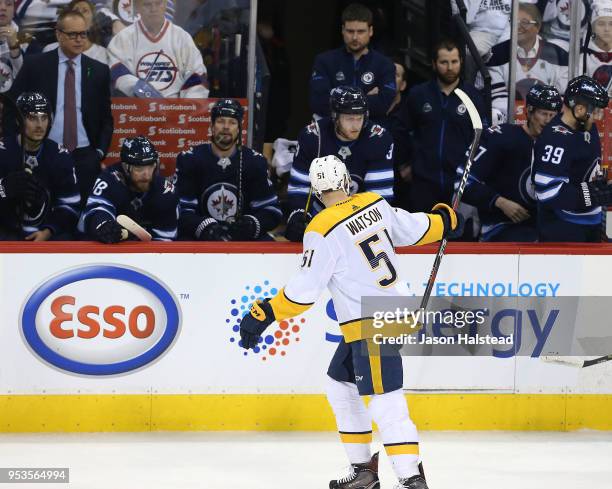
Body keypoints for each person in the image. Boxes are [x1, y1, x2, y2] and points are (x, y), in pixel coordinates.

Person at [239, 155, 463, 489]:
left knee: (387, 399)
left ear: (314, 192)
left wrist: (266, 313)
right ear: (347, 181)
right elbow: (413, 228)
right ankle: (364, 472)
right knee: (340, 383)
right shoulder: (374, 203)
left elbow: (304, 291)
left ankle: (411, 478)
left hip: (370, 321)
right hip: (391, 312)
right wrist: (442, 221)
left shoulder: (321, 228)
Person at [10, 10, 114, 207]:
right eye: (72, 34)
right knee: (44, 209)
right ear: (58, 35)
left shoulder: (99, 70)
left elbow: (106, 119)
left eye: (83, 34)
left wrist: (99, 153)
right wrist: (17, 145)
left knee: (81, 213)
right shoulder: (36, 65)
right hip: (45, 151)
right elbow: (12, 105)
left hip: (85, 155)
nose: (79, 39)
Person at [285, 85, 394, 242]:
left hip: (362, 219)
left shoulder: (379, 139)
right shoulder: (312, 137)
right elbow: (300, 187)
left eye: (360, 118)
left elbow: (379, 197)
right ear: (335, 116)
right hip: (319, 215)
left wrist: (353, 227)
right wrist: (299, 216)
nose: (356, 125)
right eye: (349, 118)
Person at [458, 84, 562, 241]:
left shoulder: (560, 145)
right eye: (543, 114)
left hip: (542, 228)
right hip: (501, 227)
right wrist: (499, 202)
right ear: (529, 111)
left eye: (552, 115)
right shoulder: (501, 138)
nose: (548, 120)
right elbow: (461, 181)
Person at [175, 98, 281, 241]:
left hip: (242, 240)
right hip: (201, 239)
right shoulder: (190, 159)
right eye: (220, 121)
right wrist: (205, 227)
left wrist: (251, 224)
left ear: (239, 129)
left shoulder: (255, 162)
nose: (226, 126)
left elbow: (272, 211)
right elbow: (180, 210)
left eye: (232, 122)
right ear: (212, 126)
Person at [404, 39, 487, 212]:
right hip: (423, 182)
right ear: (434, 64)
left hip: (460, 182)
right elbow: (401, 130)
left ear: (461, 62)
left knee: (459, 235)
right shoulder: (419, 94)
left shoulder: (473, 97)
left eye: (454, 62)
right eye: (444, 62)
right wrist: (404, 165)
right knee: (424, 236)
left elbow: (483, 139)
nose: (450, 67)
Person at [532, 75, 612, 242]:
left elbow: (585, 176)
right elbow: (548, 192)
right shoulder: (555, 139)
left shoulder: (587, 128)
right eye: (595, 111)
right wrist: (594, 195)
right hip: (562, 229)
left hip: (590, 224)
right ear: (580, 109)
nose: (598, 117)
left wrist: (601, 188)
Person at [0, 92, 80, 240]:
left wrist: (48, 231)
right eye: (32, 118)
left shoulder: (60, 156)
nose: (39, 125)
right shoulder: (2, 151)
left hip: (47, 237)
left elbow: (71, 204)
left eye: (44, 118)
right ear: (19, 120)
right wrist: (3, 190)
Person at [79, 136, 179, 242]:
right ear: (125, 167)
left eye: (150, 166)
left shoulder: (166, 191)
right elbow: (97, 211)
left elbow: (165, 241)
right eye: (139, 168)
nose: (146, 175)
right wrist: (103, 224)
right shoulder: (108, 180)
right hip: (104, 246)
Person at [309, 3, 395, 122]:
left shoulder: (384, 64)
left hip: (369, 134)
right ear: (343, 30)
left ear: (370, 31)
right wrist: (365, 98)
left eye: (360, 32)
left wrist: (338, 97)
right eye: (350, 31)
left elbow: (383, 105)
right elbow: (318, 102)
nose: (355, 37)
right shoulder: (324, 61)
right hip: (331, 132)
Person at [107, 0, 209, 98]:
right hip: (137, 111)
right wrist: (147, 93)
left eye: (158, 3)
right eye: (147, 4)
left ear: (165, 4)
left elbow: (196, 76)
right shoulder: (123, 38)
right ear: (137, 7)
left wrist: (187, 108)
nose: (153, 9)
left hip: (176, 109)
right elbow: (119, 74)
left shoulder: (182, 38)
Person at [487, 3, 568, 122]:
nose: (518, 27)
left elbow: (562, 96)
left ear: (538, 26)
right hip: (510, 120)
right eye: (514, 21)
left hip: (547, 120)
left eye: (524, 22)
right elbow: (498, 99)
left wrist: (539, 115)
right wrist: (522, 116)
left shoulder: (559, 55)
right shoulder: (496, 54)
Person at [43, 0, 108, 64]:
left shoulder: (102, 53)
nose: (80, 13)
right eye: (76, 11)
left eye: (85, 11)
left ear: (92, 22)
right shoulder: (50, 49)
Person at [584, 0, 612, 94]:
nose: (607, 29)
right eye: (601, 24)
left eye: (611, 24)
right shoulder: (581, 55)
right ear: (593, 27)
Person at [0, 0, 23, 93]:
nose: (3, 8)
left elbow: (28, 80)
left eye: (9, 4)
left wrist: (14, 48)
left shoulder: (27, 40)